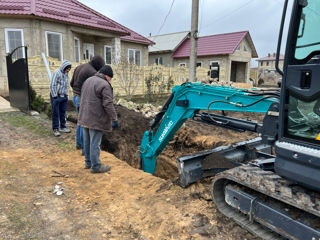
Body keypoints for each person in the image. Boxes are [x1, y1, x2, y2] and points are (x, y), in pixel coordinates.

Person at [78, 65, 119, 173]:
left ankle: (88, 163)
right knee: (95, 143)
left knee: (87, 142)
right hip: (95, 119)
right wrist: (114, 118)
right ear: (106, 75)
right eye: (110, 78)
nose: (110, 80)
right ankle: (96, 166)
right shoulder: (104, 84)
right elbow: (108, 104)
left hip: (84, 117)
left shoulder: (88, 80)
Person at [70, 56, 105, 152]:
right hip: (82, 99)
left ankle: (78, 144)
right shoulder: (92, 72)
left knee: (80, 121)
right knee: (84, 123)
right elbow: (95, 89)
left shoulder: (79, 67)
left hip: (74, 96)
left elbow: (71, 83)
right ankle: (84, 148)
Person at [50, 60, 72, 137]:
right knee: (56, 113)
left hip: (64, 96)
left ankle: (63, 127)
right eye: (67, 68)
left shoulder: (66, 74)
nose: (68, 70)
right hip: (56, 96)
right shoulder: (56, 73)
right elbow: (53, 84)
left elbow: (66, 85)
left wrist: (66, 95)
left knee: (63, 112)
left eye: (69, 69)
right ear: (64, 67)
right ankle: (55, 129)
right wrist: (55, 96)